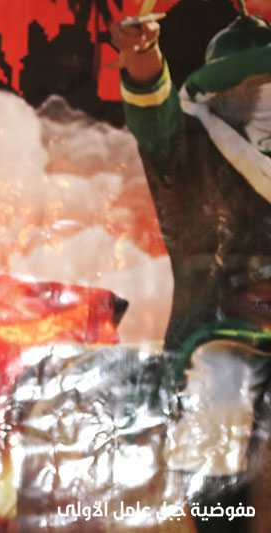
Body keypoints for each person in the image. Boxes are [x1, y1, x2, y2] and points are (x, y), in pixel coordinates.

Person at [110, 6, 271, 519]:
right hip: (222, 328)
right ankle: (218, 518)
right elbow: (154, 118)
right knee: (218, 392)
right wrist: (144, 56)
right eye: (253, 85)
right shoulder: (192, 146)